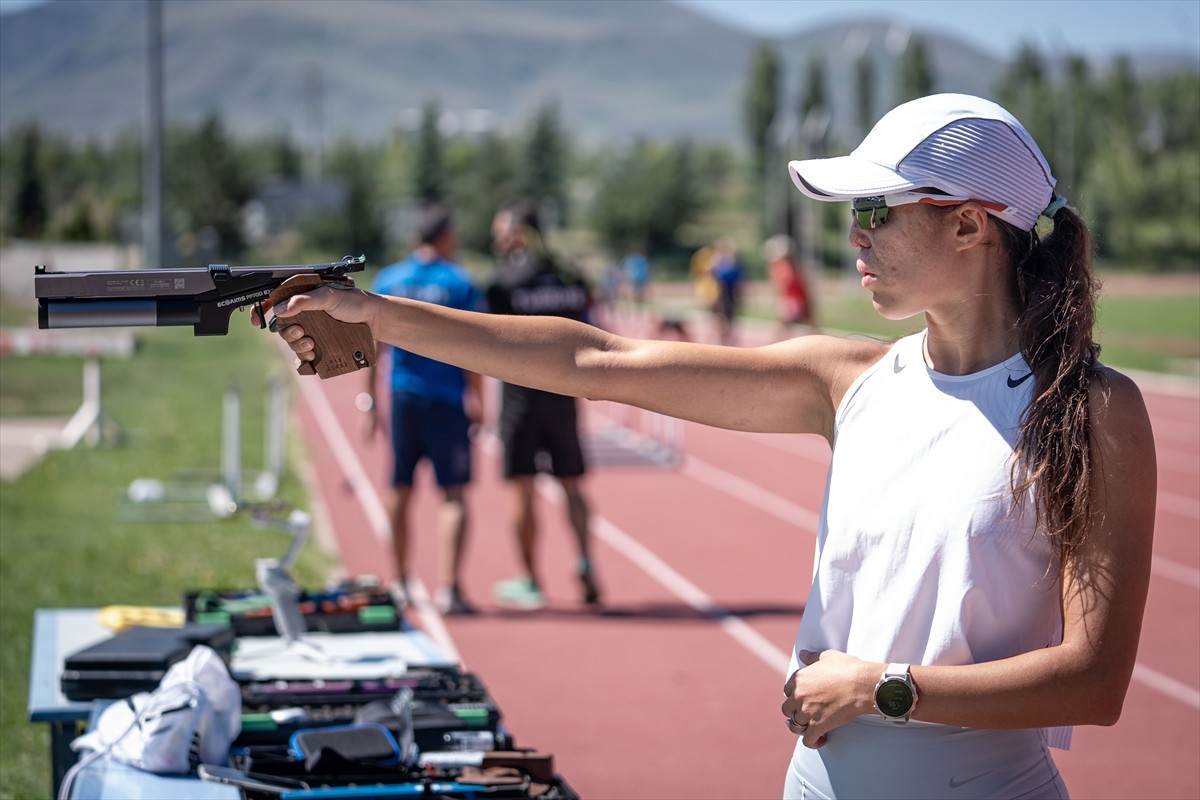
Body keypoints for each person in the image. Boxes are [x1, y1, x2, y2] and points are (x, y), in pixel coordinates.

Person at [263, 94, 1155, 799]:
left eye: (876, 209)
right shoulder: (845, 381)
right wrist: (376, 315)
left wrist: (886, 688)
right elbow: (596, 358)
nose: (856, 235)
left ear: (968, 224)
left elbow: (1094, 680)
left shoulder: (1093, 409)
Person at [483, 199, 602, 610]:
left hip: (521, 399)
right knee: (572, 484)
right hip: (565, 395)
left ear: (518, 233)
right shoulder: (572, 275)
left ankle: (530, 578)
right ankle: (586, 560)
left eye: (501, 230)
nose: (496, 238)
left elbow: (490, 342)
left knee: (523, 489)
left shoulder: (503, 281)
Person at [364, 203, 483, 616]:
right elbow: (475, 348)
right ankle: (449, 588)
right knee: (453, 494)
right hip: (447, 399)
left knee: (399, 488)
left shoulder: (390, 279)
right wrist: (478, 401)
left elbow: (372, 346)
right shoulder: (461, 281)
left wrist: (370, 401)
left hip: (403, 396)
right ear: (446, 236)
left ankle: (399, 583)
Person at [764, 234, 817, 336]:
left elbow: (798, 286)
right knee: (784, 329)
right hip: (791, 302)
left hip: (795, 302)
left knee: (786, 329)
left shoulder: (790, 268)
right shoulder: (784, 267)